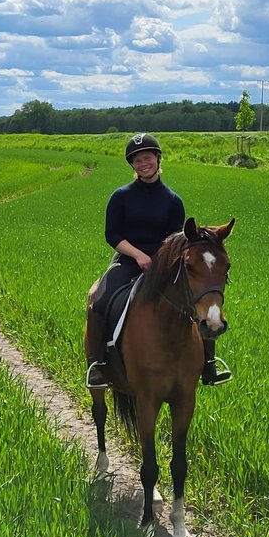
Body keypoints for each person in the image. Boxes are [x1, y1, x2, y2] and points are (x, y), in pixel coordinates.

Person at [84, 133, 230, 388]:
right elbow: (113, 235)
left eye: (148, 158)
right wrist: (139, 255)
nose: (143, 163)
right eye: (137, 160)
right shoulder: (120, 196)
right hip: (128, 260)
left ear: (158, 159)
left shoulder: (173, 200)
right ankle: (97, 363)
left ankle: (208, 363)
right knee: (100, 298)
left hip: (164, 264)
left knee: (197, 300)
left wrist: (160, 260)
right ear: (133, 165)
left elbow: (178, 238)